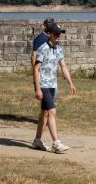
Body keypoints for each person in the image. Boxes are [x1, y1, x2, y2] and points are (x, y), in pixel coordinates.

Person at [32, 22, 77, 153]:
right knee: (52, 112)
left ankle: (37, 140)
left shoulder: (58, 48)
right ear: (50, 34)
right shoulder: (43, 48)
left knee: (44, 114)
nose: (58, 36)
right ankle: (56, 144)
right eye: (56, 34)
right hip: (43, 84)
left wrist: (70, 83)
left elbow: (63, 66)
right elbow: (36, 68)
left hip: (52, 84)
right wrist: (37, 88)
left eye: (59, 34)